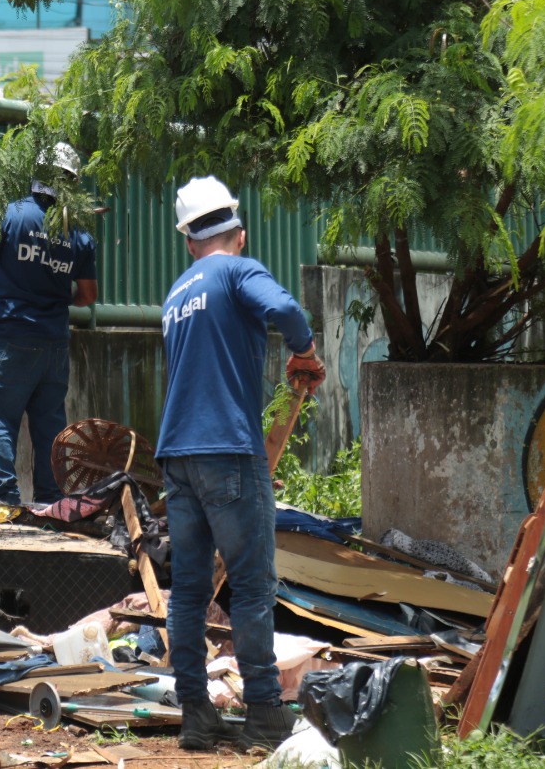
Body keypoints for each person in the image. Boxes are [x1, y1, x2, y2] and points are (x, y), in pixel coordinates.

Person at [157, 175, 326, 751]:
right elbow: (285, 308)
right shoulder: (237, 269)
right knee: (252, 586)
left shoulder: (176, 293)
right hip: (229, 449)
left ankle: (195, 717)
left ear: (188, 239)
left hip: (176, 456)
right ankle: (262, 715)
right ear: (239, 231)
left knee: (187, 593)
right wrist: (303, 353)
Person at [0, 143, 98, 505]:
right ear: (71, 183)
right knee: (48, 426)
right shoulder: (79, 233)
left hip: (13, 337)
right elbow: (87, 295)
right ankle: (50, 502)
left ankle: (4, 497)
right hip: (55, 343)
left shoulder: (11, 214)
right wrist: (53, 293)